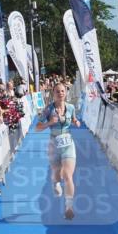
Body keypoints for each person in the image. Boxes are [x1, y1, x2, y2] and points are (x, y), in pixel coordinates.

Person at [36, 82, 81, 220]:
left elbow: (74, 119)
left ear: (65, 93)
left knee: (67, 175)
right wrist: (50, 122)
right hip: (54, 144)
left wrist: (76, 122)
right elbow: (37, 127)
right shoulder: (48, 109)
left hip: (68, 144)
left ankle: (69, 207)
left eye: (62, 91)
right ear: (53, 94)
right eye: (57, 91)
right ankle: (55, 183)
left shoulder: (71, 107)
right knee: (56, 174)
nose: (60, 93)